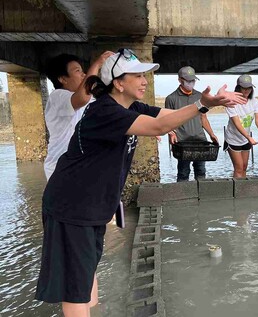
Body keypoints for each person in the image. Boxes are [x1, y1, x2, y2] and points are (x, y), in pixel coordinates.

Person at [34, 49, 245, 317]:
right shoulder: (105, 111)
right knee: (75, 285)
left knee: (86, 270)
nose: (145, 81)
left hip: (93, 204)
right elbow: (159, 128)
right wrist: (201, 106)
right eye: (138, 75)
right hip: (71, 206)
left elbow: (164, 116)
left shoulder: (129, 106)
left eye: (145, 75)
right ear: (119, 83)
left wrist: (207, 103)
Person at [43, 51, 114, 180]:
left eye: (83, 70)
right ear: (62, 79)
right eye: (77, 71)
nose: (84, 75)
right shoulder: (57, 97)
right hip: (61, 168)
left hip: (83, 164)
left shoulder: (89, 99)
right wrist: (97, 64)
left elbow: (113, 109)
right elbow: (82, 98)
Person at [165, 66, 219, 181]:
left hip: (200, 140)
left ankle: (201, 196)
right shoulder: (171, 98)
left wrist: (211, 134)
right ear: (180, 80)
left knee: (201, 170)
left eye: (193, 80)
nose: (191, 83)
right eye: (188, 80)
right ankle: (183, 196)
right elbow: (167, 120)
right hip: (182, 142)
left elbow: (203, 117)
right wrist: (172, 134)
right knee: (183, 172)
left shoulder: (200, 96)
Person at [224, 74, 258, 177]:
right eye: (243, 88)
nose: (246, 90)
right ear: (238, 88)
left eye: (249, 88)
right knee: (239, 167)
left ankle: (243, 189)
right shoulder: (231, 102)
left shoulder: (255, 102)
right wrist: (248, 137)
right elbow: (237, 123)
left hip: (246, 139)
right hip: (233, 139)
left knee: (245, 166)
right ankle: (236, 191)